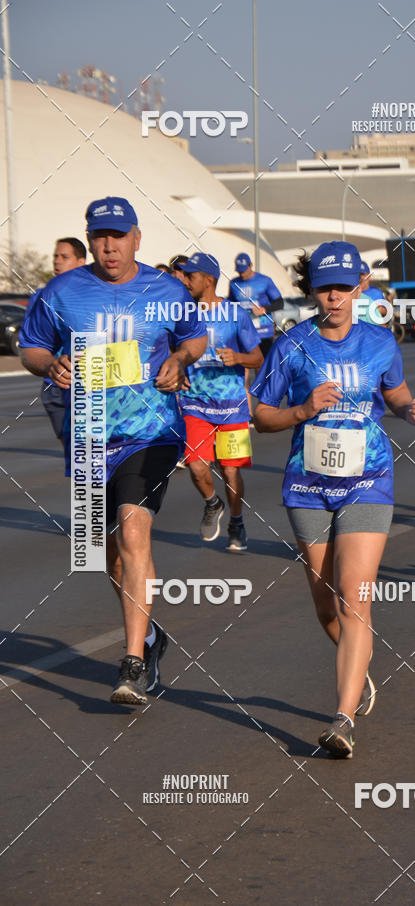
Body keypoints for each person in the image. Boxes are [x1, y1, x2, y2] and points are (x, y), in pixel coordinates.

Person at [19, 196, 207, 705]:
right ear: (90, 240)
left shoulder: (166, 290)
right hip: (90, 436)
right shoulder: (61, 291)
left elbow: (195, 336)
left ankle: (132, 663)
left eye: (118, 236)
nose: (109, 246)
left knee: (133, 527)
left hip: (151, 432)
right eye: (100, 236)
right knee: (105, 554)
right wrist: (48, 364)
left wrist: (180, 359)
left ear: (136, 239)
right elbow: (31, 346)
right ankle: (150, 636)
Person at [252, 241, 415, 758]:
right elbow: (260, 415)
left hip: (367, 480)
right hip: (307, 486)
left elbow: (394, 392)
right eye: (325, 287)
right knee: (326, 605)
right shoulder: (292, 345)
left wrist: (409, 409)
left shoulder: (379, 342)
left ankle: (343, 718)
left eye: (343, 288)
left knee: (355, 597)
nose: (334, 297)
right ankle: (358, 660)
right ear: (311, 290)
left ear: (359, 288)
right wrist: (302, 410)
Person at [178, 252, 263, 551]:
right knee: (196, 466)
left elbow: (258, 358)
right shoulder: (183, 313)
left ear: (208, 280)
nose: (185, 281)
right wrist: (177, 369)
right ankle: (212, 503)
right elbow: (170, 350)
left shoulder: (236, 314)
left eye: (190, 276)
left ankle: (237, 521)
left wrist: (238, 357)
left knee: (230, 470)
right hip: (195, 403)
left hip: (232, 407)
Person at [30, 238, 88, 443]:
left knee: (94, 452)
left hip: (90, 387)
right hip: (55, 386)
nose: (57, 261)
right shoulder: (42, 296)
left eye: (65, 257)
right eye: (55, 256)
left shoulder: (94, 297)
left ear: (81, 262)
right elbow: (31, 346)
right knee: (74, 451)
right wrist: (49, 363)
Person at [228, 253, 282, 418]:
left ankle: (263, 407)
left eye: (244, 270)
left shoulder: (264, 281)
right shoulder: (234, 283)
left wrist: (264, 309)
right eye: (239, 271)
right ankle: (248, 412)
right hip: (244, 331)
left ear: (251, 266)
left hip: (263, 331)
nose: (242, 274)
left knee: (262, 370)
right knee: (244, 370)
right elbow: (231, 304)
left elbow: (279, 302)